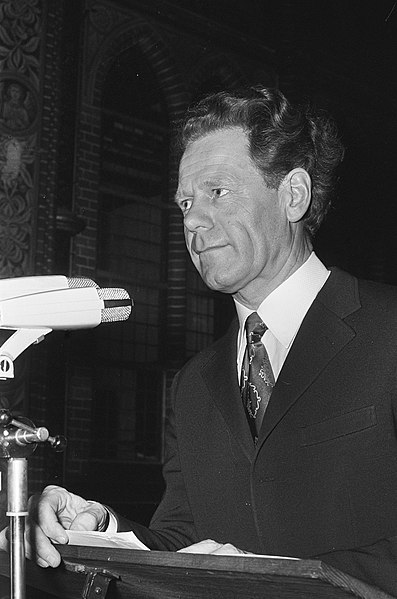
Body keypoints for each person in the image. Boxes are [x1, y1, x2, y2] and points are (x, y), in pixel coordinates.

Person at [3, 86, 397, 595]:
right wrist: (102, 530)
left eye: (218, 192)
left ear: (293, 195)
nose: (192, 219)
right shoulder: (194, 383)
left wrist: (275, 575)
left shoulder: (387, 332)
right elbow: (186, 541)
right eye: (186, 202)